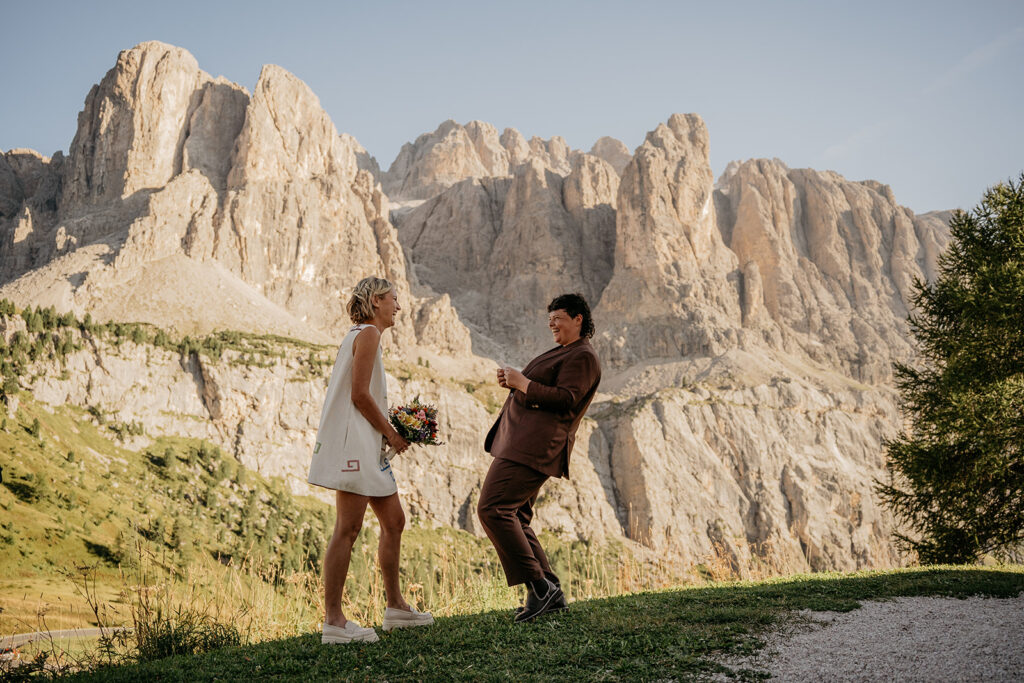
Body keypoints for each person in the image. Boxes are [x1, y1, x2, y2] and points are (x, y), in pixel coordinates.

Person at [307, 276, 433, 644]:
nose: (399, 306)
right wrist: (393, 434)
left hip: (367, 446)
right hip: (355, 447)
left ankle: (395, 607)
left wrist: (395, 427)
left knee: (394, 521)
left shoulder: (361, 335)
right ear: (377, 301)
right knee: (347, 528)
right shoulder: (369, 334)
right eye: (394, 299)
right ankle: (334, 621)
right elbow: (360, 395)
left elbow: (365, 394)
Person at [477, 293, 602, 622]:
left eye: (558, 318)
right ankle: (551, 592)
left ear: (578, 319)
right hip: (523, 444)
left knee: (494, 508)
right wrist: (515, 383)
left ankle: (540, 589)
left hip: (533, 448)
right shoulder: (566, 352)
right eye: (550, 320)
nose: (552, 324)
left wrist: (524, 383)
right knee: (515, 514)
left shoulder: (584, 356)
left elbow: (567, 399)